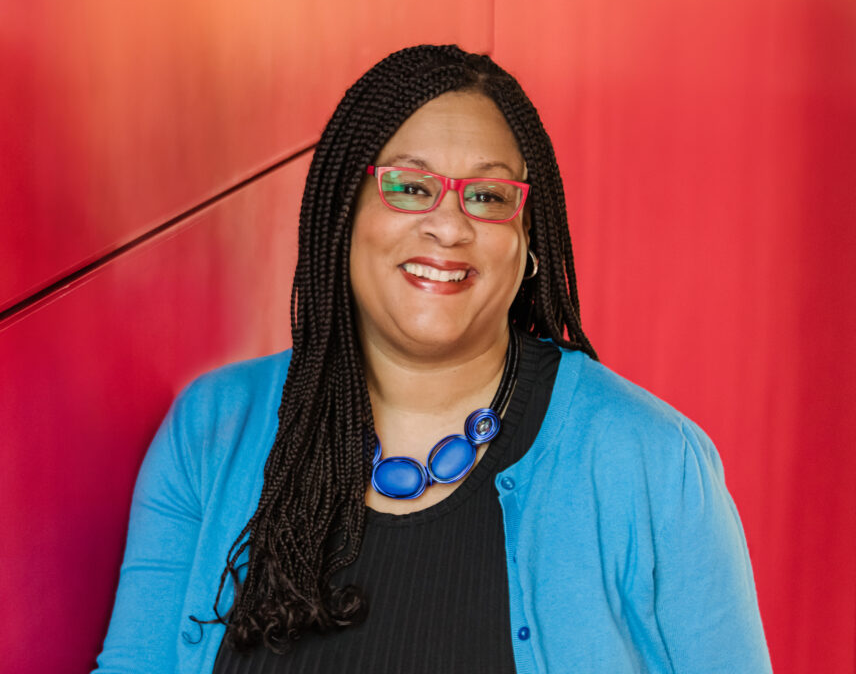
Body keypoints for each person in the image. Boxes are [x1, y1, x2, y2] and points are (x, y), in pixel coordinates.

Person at [93, 45, 772, 673]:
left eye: (487, 196)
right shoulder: (213, 434)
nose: (449, 225)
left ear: (528, 241)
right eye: (410, 187)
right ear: (343, 213)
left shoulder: (651, 464)